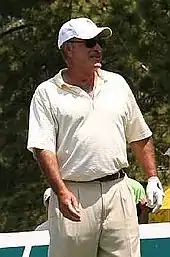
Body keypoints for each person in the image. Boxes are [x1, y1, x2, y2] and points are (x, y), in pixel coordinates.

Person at [27, 17, 164, 257]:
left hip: (119, 192)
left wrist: (152, 178)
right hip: (73, 195)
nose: (98, 48)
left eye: (99, 42)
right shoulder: (46, 93)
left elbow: (139, 135)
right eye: (90, 43)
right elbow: (42, 148)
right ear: (68, 49)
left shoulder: (118, 84)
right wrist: (59, 190)